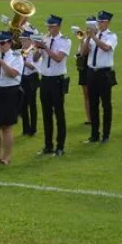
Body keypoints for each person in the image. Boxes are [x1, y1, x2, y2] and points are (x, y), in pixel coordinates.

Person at [0, 31, 24, 164]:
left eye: (3, 43)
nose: (0, 45)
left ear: (9, 43)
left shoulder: (16, 57)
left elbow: (13, 74)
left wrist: (1, 62)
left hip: (9, 91)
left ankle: (6, 156)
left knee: (6, 127)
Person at [35, 15, 71, 156]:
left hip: (57, 80)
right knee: (46, 114)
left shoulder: (64, 41)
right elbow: (35, 58)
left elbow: (58, 58)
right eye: (48, 26)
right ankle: (48, 145)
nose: (49, 28)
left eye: (51, 26)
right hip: (44, 80)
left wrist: (45, 47)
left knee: (59, 114)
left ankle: (60, 146)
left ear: (58, 26)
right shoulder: (45, 39)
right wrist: (38, 49)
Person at [81, 10, 117, 144]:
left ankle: (106, 135)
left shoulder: (111, 36)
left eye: (102, 21)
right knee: (93, 104)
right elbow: (84, 53)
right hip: (91, 72)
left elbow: (106, 48)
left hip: (104, 73)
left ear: (108, 22)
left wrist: (94, 38)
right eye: (99, 21)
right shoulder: (93, 35)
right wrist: (88, 38)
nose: (100, 24)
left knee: (106, 104)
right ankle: (94, 135)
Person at [18, 31, 40, 137]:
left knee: (32, 104)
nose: (22, 42)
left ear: (30, 40)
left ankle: (33, 129)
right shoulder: (21, 51)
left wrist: (21, 60)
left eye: (24, 40)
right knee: (23, 104)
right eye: (21, 40)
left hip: (32, 78)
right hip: (22, 78)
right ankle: (25, 128)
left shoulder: (34, 51)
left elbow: (33, 66)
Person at [76, 16, 96, 125]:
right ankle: (89, 119)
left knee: (94, 94)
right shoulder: (84, 37)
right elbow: (82, 52)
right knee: (86, 94)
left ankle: (95, 117)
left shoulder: (99, 36)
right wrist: (83, 40)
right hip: (84, 67)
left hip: (93, 67)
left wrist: (90, 37)